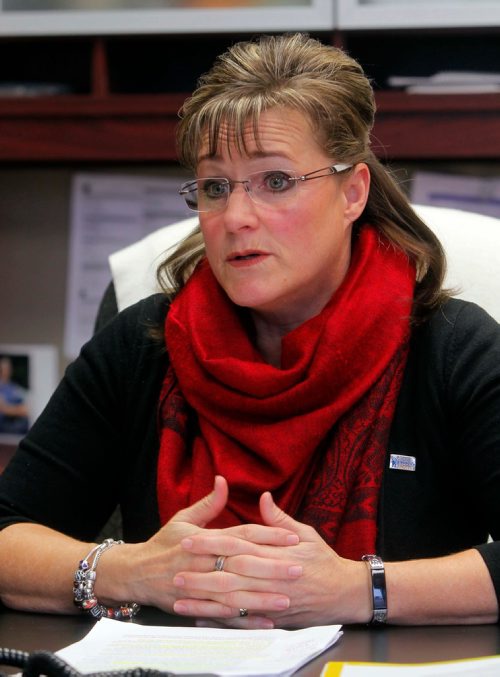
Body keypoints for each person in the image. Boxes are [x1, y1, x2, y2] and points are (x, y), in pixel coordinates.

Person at [0, 32, 499, 628]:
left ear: (353, 192)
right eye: (215, 187)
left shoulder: (451, 348)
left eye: (276, 181)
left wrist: (359, 589)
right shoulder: (145, 344)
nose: (236, 218)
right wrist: (127, 571)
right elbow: (10, 528)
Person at [0, 356, 29, 436]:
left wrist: (9, 409)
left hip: (17, 428)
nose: (7, 371)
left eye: (9, 368)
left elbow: (25, 410)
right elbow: (3, 409)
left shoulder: (14, 388)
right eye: (5, 368)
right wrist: (15, 410)